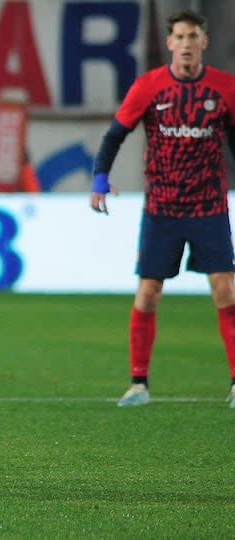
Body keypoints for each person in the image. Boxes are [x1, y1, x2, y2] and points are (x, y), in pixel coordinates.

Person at [90, 9, 235, 407]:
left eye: (194, 36)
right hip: (162, 207)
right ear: (170, 43)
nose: (187, 43)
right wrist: (100, 176)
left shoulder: (225, 88)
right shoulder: (148, 87)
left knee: (225, 290)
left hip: (209, 205)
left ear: (204, 42)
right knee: (149, 292)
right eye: (180, 37)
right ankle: (138, 383)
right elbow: (115, 135)